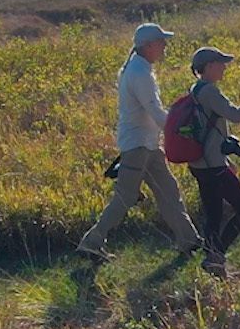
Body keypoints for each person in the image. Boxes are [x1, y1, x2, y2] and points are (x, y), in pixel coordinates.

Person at [76, 22, 203, 263]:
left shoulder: (136, 69)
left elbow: (152, 112)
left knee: (169, 191)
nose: (165, 46)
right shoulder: (139, 73)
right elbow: (153, 110)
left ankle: (189, 240)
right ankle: (91, 242)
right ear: (148, 46)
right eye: (161, 42)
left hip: (147, 144)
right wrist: (177, 130)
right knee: (125, 197)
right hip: (138, 145)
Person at [183, 45, 240, 278]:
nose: (224, 68)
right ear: (209, 66)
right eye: (221, 63)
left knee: (213, 213)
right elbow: (236, 115)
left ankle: (214, 263)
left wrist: (225, 158)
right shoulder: (209, 92)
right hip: (213, 167)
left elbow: (210, 131)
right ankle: (216, 255)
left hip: (201, 164)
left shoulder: (196, 89)